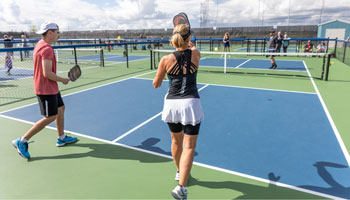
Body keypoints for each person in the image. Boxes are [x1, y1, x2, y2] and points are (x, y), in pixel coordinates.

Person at [12, 22, 78, 159]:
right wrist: (63, 80)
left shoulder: (40, 44)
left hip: (51, 87)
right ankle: (22, 140)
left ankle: (61, 138)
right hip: (46, 89)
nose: (59, 35)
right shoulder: (47, 49)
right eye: (57, 32)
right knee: (50, 116)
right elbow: (47, 73)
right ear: (50, 32)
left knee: (61, 108)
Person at [153, 23, 203, 200]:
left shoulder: (165, 59)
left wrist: (166, 76)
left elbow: (156, 84)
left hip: (172, 104)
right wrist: (192, 44)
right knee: (189, 146)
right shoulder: (196, 54)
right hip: (190, 104)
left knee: (176, 141)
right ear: (188, 38)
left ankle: (179, 171)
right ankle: (181, 186)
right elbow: (193, 49)